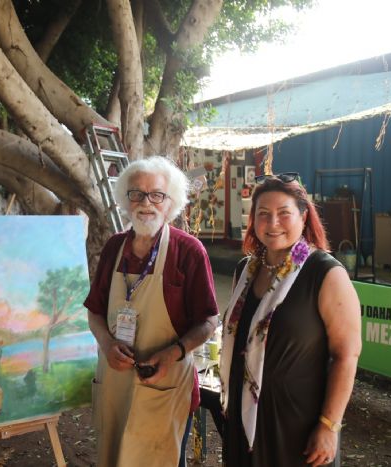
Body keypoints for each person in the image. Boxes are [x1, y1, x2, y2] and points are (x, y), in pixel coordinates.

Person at [219, 173, 362, 467]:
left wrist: (329, 425)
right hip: (244, 416)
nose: (273, 224)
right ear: (253, 219)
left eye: (284, 214)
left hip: (298, 424)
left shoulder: (324, 273)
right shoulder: (246, 271)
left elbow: (346, 354)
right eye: (263, 214)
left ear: (304, 216)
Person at [84, 156, 219, 467]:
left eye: (156, 194)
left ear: (170, 202)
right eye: (136, 193)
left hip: (164, 384)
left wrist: (172, 353)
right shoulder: (114, 247)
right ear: (125, 199)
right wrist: (107, 344)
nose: (146, 203)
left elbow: (209, 320)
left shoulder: (188, 251)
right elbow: (94, 312)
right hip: (116, 383)